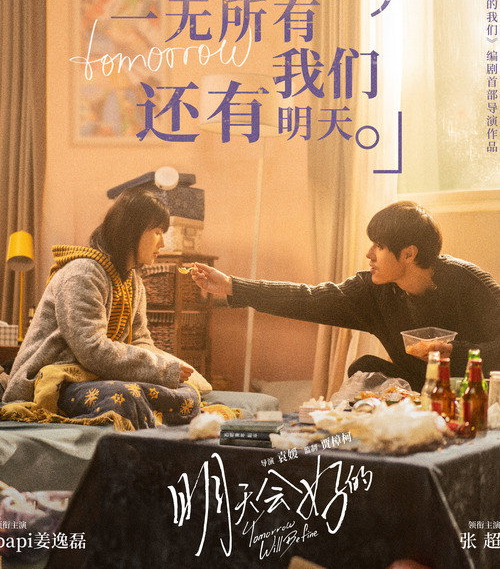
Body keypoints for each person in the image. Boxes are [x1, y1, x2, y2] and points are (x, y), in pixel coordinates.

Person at [191, 201, 500, 390]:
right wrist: (233, 285)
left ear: (408, 254)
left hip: (474, 392)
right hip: (419, 390)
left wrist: (454, 352)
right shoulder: (374, 292)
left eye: (379, 246)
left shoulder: (469, 283)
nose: (369, 254)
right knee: (364, 368)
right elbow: (308, 298)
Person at [2, 186, 201, 428]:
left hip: (96, 375)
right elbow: (92, 350)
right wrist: (160, 370)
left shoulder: (133, 281)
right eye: (157, 232)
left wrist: (170, 370)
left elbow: (141, 340)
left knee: (186, 394)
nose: (163, 242)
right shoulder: (82, 273)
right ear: (132, 231)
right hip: (55, 378)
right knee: (125, 398)